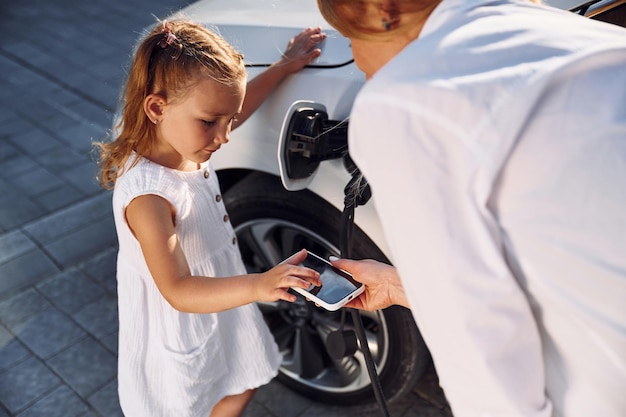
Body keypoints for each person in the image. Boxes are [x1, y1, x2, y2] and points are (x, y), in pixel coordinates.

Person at [317, 0, 626, 416]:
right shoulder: (580, 32)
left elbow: (480, 348)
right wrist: (399, 286)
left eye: (350, 37)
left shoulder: (408, 98)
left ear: (379, 9)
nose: (356, 59)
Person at [94, 19, 324, 417]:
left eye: (228, 121)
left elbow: (233, 106)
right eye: (209, 123)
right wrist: (258, 285)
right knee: (194, 402)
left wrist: (284, 66)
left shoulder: (179, 135)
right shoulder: (149, 196)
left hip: (220, 294)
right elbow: (179, 290)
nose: (224, 137)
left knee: (243, 377)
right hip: (184, 316)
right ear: (156, 107)